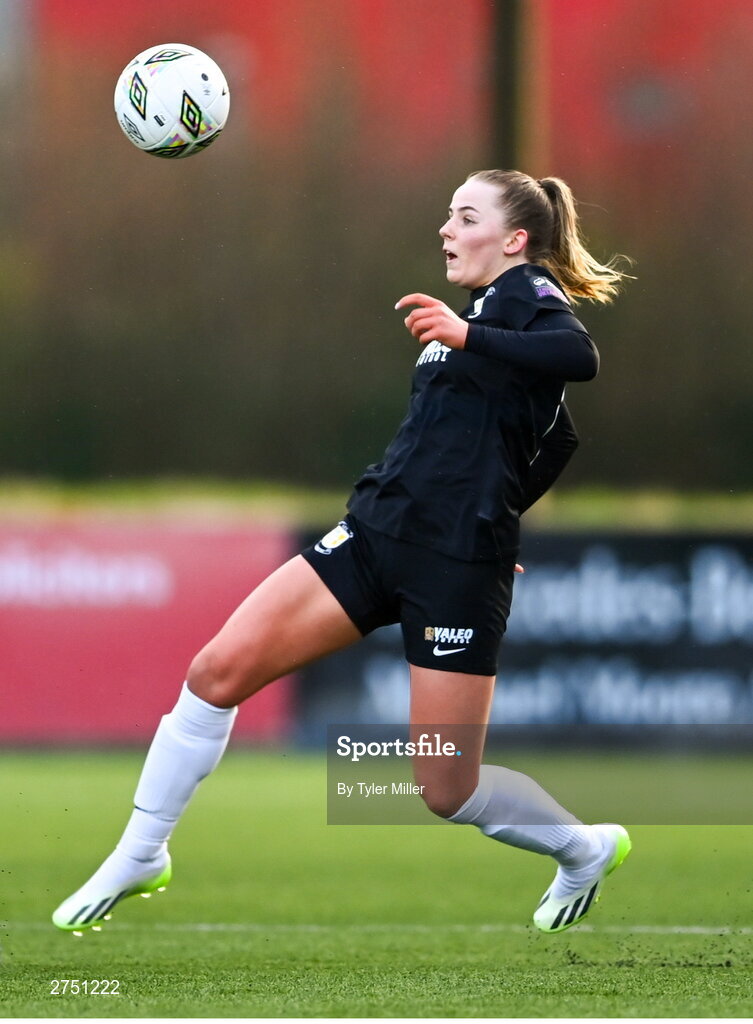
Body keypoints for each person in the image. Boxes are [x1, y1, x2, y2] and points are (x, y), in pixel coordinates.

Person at [53, 169, 631, 936]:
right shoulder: (482, 312)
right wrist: (497, 497)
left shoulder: (524, 295)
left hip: (455, 568)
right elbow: (553, 437)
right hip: (373, 535)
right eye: (448, 215)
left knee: (445, 790)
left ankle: (583, 848)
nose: (445, 230)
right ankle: (142, 849)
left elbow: (577, 357)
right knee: (215, 672)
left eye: (464, 217)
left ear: (514, 239)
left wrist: (488, 513)